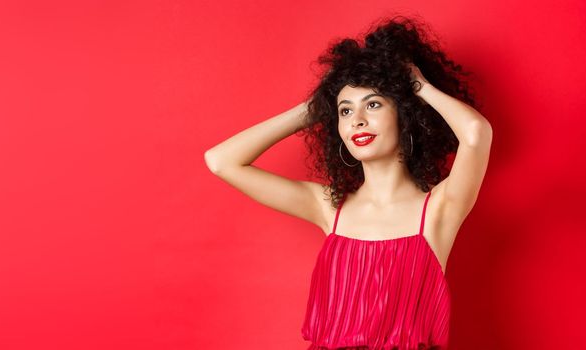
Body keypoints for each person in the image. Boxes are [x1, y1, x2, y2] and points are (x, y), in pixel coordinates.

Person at [203, 15, 492, 350]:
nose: (357, 121)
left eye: (373, 104)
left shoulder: (440, 209)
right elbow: (221, 161)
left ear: (405, 115)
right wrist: (315, 109)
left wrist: (418, 86)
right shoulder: (330, 207)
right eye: (344, 111)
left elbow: (475, 134)